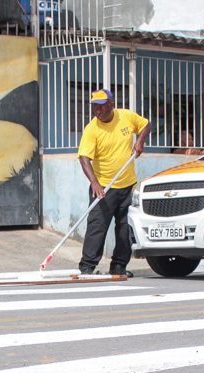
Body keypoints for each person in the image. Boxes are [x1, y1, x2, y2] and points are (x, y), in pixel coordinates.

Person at [77, 88, 151, 277]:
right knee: (97, 227)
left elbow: (145, 125)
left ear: (111, 104)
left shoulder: (125, 116)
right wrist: (94, 183)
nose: (98, 111)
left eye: (101, 106)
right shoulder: (92, 129)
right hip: (103, 187)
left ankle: (119, 266)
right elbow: (84, 158)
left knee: (125, 228)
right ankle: (87, 267)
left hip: (127, 185)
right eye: (94, 107)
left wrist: (140, 141)